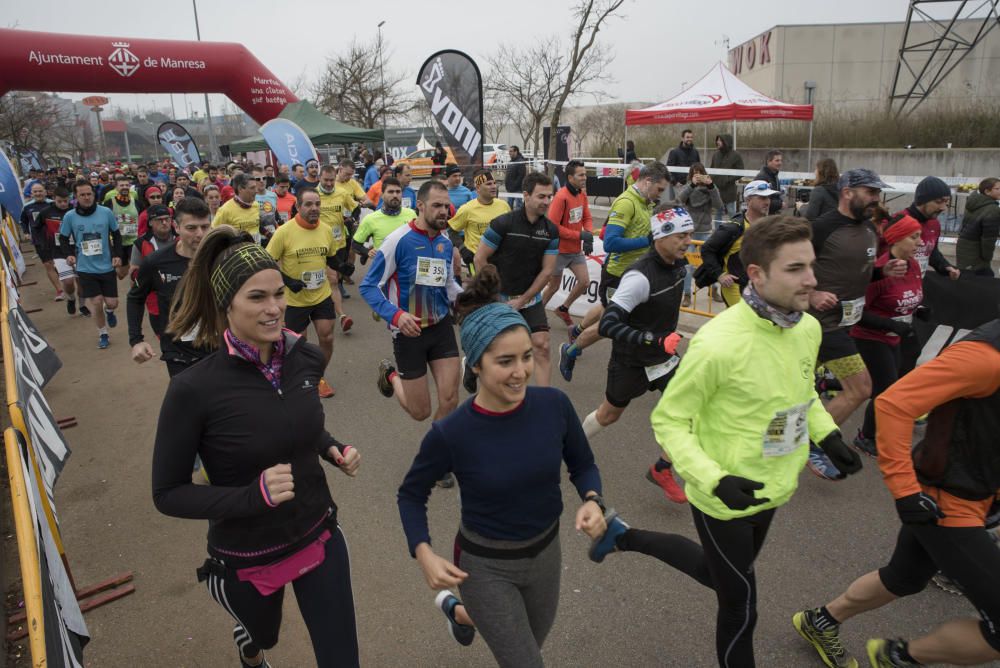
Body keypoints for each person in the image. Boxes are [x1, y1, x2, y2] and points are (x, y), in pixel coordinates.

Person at [589, 215, 862, 668]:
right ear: (755, 273)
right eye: (795, 269)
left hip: (774, 484)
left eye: (810, 266)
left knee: (715, 574)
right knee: (740, 604)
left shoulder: (807, 328)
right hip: (723, 495)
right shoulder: (717, 343)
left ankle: (623, 535)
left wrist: (828, 436)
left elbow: (803, 392)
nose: (811, 279)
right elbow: (670, 420)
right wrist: (713, 480)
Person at [151, 225, 362, 668]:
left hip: (317, 530)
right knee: (263, 634)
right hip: (250, 554)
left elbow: (299, 423)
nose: (274, 309)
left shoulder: (304, 357)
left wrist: (331, 448)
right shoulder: (194, 390)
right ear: (226, 304)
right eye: (257, 298)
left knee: (342, 658)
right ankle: (248, 635)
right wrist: (253, 496)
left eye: (279, 294)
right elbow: (167, 493)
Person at [396, 264, 606, 668]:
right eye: (505, 361)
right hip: (484, 564)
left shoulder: (554, 406)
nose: (521, 371)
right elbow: (410, 494)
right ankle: (468, 606)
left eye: (526, 357)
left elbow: (582, 464)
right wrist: (423, 552)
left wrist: (593, 499)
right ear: (475, 365)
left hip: (546, 555)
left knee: (526, 644)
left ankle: (460, 613)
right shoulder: (452, 432)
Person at [792, 317, 1000, 668]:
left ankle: (820, 621)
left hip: (976, 493)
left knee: (903, 577)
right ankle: (897, 658)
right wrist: (905, 492)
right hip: (947, 502)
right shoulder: (985, 358)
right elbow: (893, 404)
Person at [582, 206, 692, 503]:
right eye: (682, 235)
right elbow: (607, 324)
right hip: (631, 361)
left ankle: (662, 468)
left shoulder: (679, 266)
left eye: (690, 235)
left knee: (692, 409)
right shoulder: (639, 277)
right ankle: (571, 448)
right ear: (661, 235)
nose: (688, 242)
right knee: (609, 414)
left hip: (664, 360)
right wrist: (654, 340)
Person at [361, 180, 463, 489]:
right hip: (409, 333)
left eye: (446, 206)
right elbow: (368, 286)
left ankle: (436, 457)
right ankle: (391, 375)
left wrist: (466, 298)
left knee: (449, 398)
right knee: (420, 412)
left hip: (441, 328)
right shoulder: (398, 240)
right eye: (437, 206)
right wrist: (396, 315)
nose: (444, 211)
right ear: (419, 206)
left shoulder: (446, 242)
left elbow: (447, 286)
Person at [807, 168, 906, 480]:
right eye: (871, 192)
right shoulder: (821, 228)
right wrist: (811, 294)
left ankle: (784, 437)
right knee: (861, 387)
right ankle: (815, 444)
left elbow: (856, 273)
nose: (877, 199)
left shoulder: (869, 230)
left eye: (878, 193)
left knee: (794, 391)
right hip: (820, 326)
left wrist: (882, 272)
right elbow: (789, 267)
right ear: (847, 191)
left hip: (846, 323)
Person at [559, 163, 669, 382]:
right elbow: (610, 243)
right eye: (659, 189)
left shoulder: (646, 202)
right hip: (619, 275)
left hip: (634, 274)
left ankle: (578, 332)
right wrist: (646, 242)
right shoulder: (627, 203)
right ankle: (570, 351)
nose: (660, 195)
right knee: (612, 324)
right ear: (648, 182)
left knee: (604, 309)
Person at [848, 215, 925, 457]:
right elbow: (857, 313)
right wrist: (889, 324)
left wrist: (919, 310)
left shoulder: (912, 265)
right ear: (896, 239)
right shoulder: (880, 269)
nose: (921, 243)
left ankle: (829, 383)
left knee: (892, 385)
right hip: (869, 336)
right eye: (914, 237)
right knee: (886, 390)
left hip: (895, 336)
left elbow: (909, 295)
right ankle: (866, 437)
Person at [474, 172, 559, 386]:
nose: (547, 202)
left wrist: (522, 300)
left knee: (542, 345)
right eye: (541, 196)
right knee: (497, 348)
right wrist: (494, 295)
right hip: (498, 295)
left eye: (550, 196)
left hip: (529, 297)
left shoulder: (550, 231)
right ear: (526, 196)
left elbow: (547, 271)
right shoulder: (503, 223)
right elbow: (480, 258)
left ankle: (542, 401)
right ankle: (473, 363)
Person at [266, 188, 343, 398]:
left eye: (317, 204)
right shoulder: (284, 232)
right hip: (295, 300)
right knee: (298, 344)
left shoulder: (326, 230)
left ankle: (317, 377)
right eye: (308, 204)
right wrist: (287, 281)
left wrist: (342, 267)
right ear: (298, 207)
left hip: (321, 294)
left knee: (326, 337)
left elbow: (330, 256)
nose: (314, 208)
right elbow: (267, 262)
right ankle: (298, 375)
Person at [128, 198, 212, 377]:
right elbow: (135, 297)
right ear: (176, 226)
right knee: (191, 403)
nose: (200, 234)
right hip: (180, 354)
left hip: (220, 347)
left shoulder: (221, 257)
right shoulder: (156, 262)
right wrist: (136, 340)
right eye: (191, 228)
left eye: (205, 227)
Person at [59, 180, 122, 349]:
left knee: (111, 303)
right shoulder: (70, 216)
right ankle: (103, 333)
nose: (86, 198)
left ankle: (110, 311)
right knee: (96, 302)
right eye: (82, 195)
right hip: (85, 267)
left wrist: (117, 255)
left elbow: (116, 235)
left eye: (89, 194)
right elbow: (63, 238)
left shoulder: (106, 212)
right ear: (76, 197)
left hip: (106, 266)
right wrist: (69, 254)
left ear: (94, 195)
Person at [695, 180, 778, 307]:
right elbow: (707, 249)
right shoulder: (734, 227)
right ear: (749, 200)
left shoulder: (768, 226)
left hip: (758, 287)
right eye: (762, 197)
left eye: (768, 197)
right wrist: (719, 275)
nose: (767, 201)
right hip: (735, 288)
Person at [540, 160, 593, 326]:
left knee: (584, 282)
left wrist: (589, 235)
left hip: (575, 250)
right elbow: (553, 226)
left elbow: (587, 217)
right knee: (553, 286)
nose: (585, 177)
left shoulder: (581, 194)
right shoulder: (561, 197)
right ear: (570, 177)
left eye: (585, 174)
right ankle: (536, 316)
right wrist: (580, 236)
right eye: (581, 175)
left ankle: (563, 308)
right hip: (559, 251)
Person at [677, 163, 723, 307]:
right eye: (694, 173)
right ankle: (686, 294)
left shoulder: (711, 189)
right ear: (691, 175)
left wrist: (711, 186)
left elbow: (719, 205)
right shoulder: (688, 187)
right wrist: (691, 185)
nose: (697, 176)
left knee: (711, 262)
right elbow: (679, 200)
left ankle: (714, 289)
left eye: (700, 173)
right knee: (688, 265)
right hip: (690, 231)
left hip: (705, 230)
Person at [447, 169, 510, 273]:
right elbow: (452, 231)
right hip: (477, 260)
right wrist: (463, 249)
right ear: (478, 188)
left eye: (494, 183)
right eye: (489, 184)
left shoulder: (504, 205)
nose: (494, 186)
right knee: (482, 289)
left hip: (501, 259)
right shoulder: (467, 209)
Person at [350, 177, 415, 267]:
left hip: (407, 268)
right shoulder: (371, 219)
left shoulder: (411, 214)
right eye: (390, 192)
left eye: (398, 192)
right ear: (382, 195)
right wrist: (367, 252)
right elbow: (355, 244)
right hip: (383, 270)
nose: (395, 195)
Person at [35, 186, 78, 311]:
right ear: (53, 199)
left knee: (82, 285)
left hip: (78, 249)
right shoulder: (46, 212)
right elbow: (36, 228)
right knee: (69, 281)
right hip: (58, 251)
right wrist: (43, 244)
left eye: (66, 201)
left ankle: (82, 306)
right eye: (59, 201)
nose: (63, 204)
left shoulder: (76, 211)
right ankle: (71, 298)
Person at [21, 182, 62, 297]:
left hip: (55, 238)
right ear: (32, 193)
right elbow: (23, 221)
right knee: (48, 264)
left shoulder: (53, 204)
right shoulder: (27, 207)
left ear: (45, 192)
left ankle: (63, 278)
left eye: (40, 191)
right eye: (35, 191)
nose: (38, 193)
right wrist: (26, 232)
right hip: (39, 240)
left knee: (58, 263)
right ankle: (60, 290)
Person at [956, 176, 1000, 277]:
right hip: (976, 253)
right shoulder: (993, 210)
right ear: (987, 191)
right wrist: (987, 257)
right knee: (982, 282)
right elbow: (988, 239)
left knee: (966, 278)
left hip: (963, 247)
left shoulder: (973, 202)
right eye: (998, 189)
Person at [104, 175, 140, 279]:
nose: (124, 187)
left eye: (126, 185)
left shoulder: (136, 202)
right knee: (121, 274)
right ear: (116, 188)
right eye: (121, 185)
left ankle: (135, 287)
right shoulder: (109, 203)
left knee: (136, 270)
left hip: (134, 241)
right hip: (118, 242)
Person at [212, 174, 262, 242]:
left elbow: (256, 226)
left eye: (256, 187)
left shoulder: (256, 205)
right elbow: (213, 235)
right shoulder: (225, 210)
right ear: (240, 189)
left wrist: (270, 235)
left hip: (256, 249)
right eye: (252, 188)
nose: (256, 191)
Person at [709, 134, 744, 220]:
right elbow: (712, 169)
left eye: (720, 140)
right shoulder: (715, 155)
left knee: (731, 211)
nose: (718, 142)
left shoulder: (736, 155)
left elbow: (740, 171)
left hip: (729, 188)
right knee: (718, 212)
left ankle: (734, 230)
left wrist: (728, 179)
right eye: (717, 140)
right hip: (717, 188)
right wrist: (712, 179)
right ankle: (718, 231)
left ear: (726, 142)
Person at [666, 129, 701, 193]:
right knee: (678, 203)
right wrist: (675, 182)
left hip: (693, 185)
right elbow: (668, 169)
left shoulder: (695, 152)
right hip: (678, 186)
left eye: (691, 137)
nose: (690, 139)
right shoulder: (674, 152)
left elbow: (699, 168)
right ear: (682, 138)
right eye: (687, 137)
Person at [251, 166, 279, 240]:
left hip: (273, 236)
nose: (261, 181)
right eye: (257, 179)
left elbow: (275, 214)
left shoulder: (273, 195)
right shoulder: (250, 197)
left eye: (264, 178)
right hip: (257, 239)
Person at [756, 150, 784, 215]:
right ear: (769, 161)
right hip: (765, 216)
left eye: (781, 160)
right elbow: (760, 201)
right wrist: (780, 204)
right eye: (777, 160)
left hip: (772, 214)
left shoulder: (774, 175)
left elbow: (775, 196)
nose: (780, 163)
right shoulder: (762, 177)